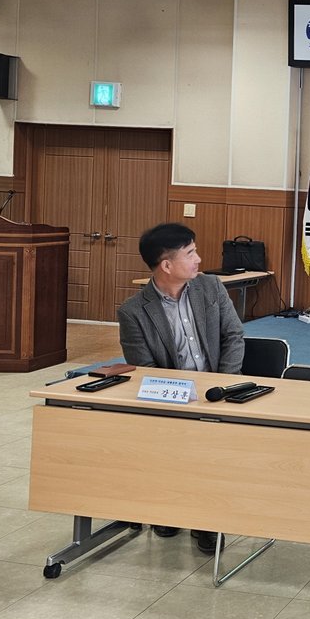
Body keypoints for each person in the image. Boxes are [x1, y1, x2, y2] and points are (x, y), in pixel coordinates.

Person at [118, 222, 245, 554]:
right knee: (171, 441)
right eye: (190, 254)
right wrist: (182, 399)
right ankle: (170, 509)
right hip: (172, 399)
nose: (198, 259)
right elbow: (145, 370)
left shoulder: (211, 288)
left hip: (218, 393)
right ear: (166, 265)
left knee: (211, 448)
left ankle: (206, 521)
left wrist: (222, 385)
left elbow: (234, 336)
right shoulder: (133, 312)